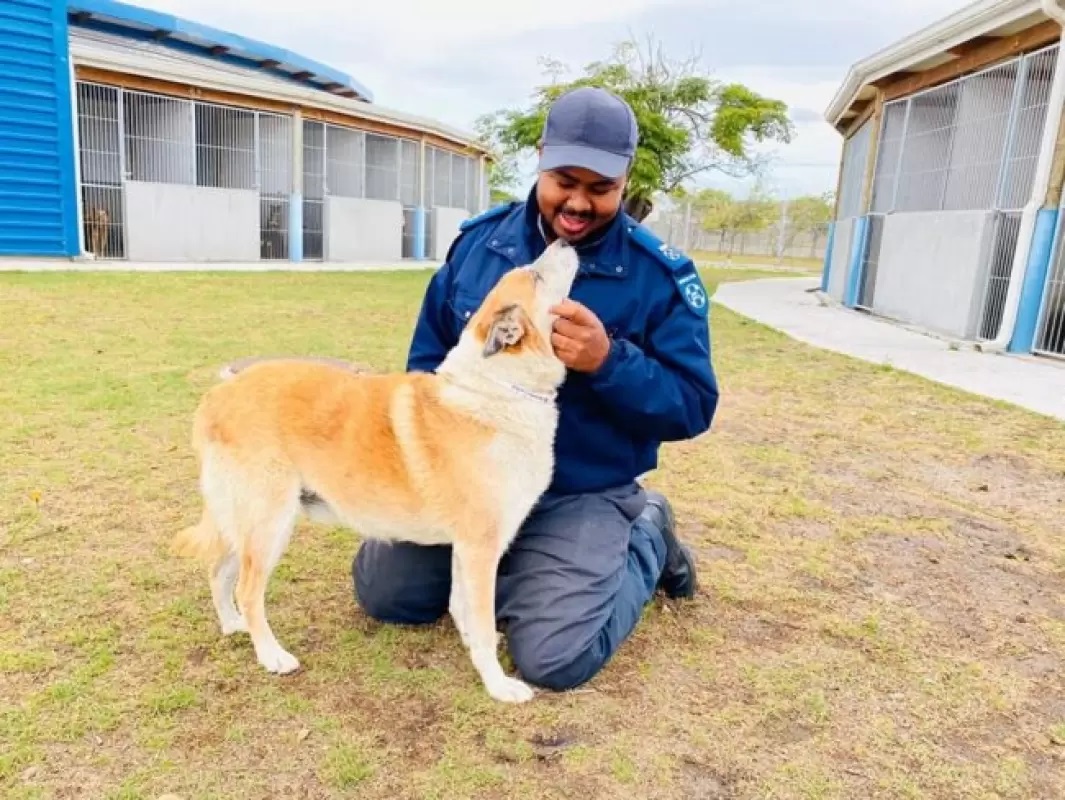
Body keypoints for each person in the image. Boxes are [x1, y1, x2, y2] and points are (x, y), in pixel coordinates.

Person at [352, 86, 720, 691]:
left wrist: (609, 362)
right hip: (467, 481)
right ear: (542, 159)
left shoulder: (659, 276)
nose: (577, 203)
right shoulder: (479, 246)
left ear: (626, 180)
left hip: (582, 489)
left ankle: (648, 532)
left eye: (600, 189)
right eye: (564, 181)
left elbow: (694, 404)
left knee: (554, 657)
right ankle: (519, 561)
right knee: (387, 592)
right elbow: (427, 366)